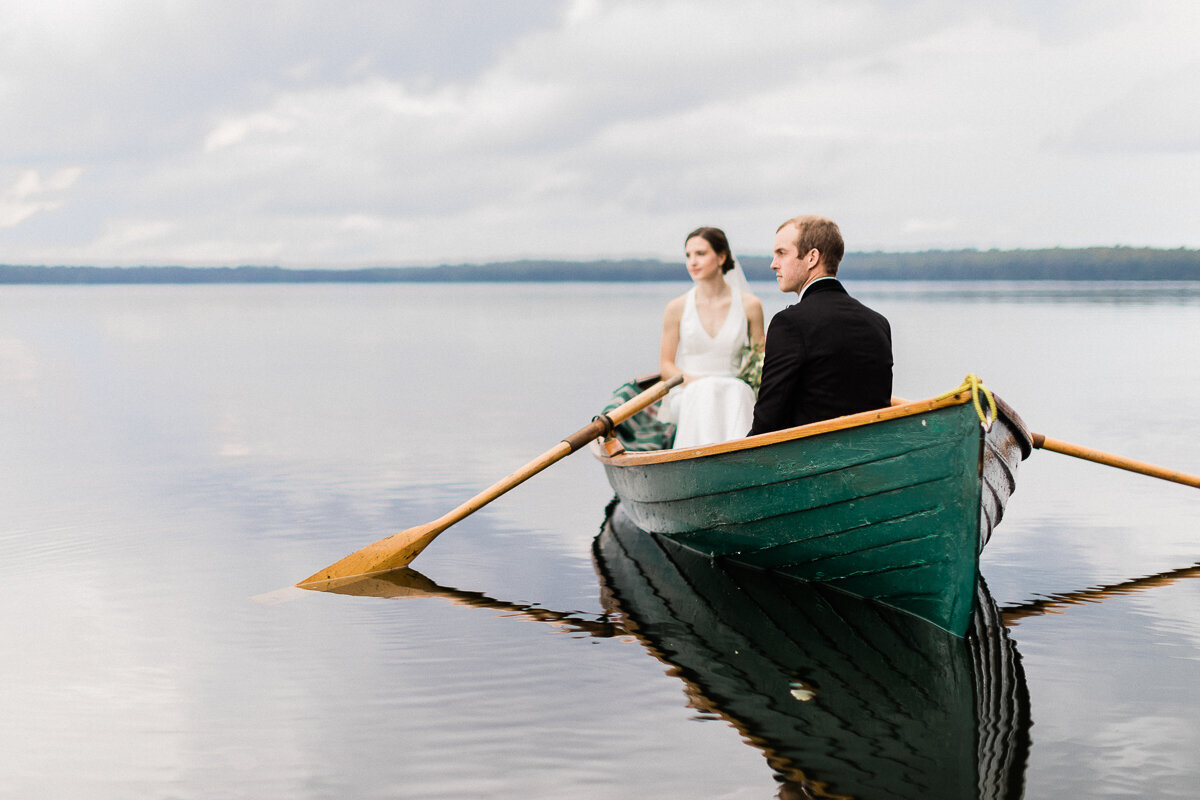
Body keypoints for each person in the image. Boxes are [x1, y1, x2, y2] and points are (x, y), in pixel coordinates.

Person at [748, 215, 892, 435]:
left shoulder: (789, 323)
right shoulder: (879, 323)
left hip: (810, 461)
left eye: (781, 253)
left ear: (812, 257)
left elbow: (767, 420)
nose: (773, 264)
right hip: (872, 456)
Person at [658, 226, 766, 448]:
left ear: (721, 257)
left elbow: (761, 359)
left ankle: (741, 458)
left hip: (733, 389)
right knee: (705, 392)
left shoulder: (750, 306)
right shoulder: (676, 307)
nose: (692, 262)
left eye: (700, 254)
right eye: (688, 256)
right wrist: (698, 383)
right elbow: (666, 365)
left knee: (737, 392)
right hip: (688, 391)